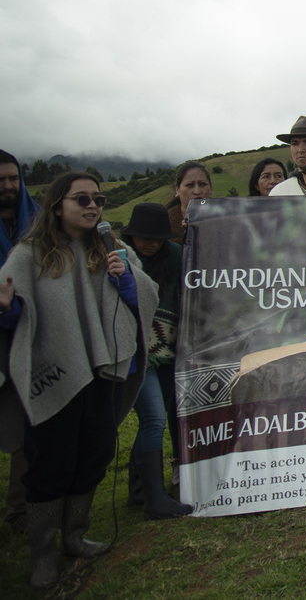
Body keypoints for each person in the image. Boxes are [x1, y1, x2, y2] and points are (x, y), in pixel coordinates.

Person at [0, 172, 158, 588]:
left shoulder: (110, 247)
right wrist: (7, 309)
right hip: (54, 371)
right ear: (57, 206)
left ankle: (74, 535)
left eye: (99, 199)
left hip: (101, 371)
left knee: (96, 451)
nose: (93, 206)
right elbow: (17, 313)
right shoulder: (29, 255)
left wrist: (125, 279)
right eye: (82, 199)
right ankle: (43, 555)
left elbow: (144, 295)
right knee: (52, 462)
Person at [120, 203, 190, 519]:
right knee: (153, 418)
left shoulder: (175, 257)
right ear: (132, 235)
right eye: (144, 237)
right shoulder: (121, 260)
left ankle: (140, 491)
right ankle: (155, 499)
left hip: (169, 351)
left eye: (157, 238)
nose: (151, 243)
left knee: (164, 414)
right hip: (138, 354)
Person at [1, 149, 39, 533]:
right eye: (1, 181)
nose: (9, 187)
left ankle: (21, 511)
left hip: (31, 333)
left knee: (30, 419)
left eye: (13, 179)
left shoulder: (39, 221)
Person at [166, 160, 212, 243]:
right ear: (177, 190)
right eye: (190, 185)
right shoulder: (164, 225)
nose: (197, 191)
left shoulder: (226, 220)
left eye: (202, 184)